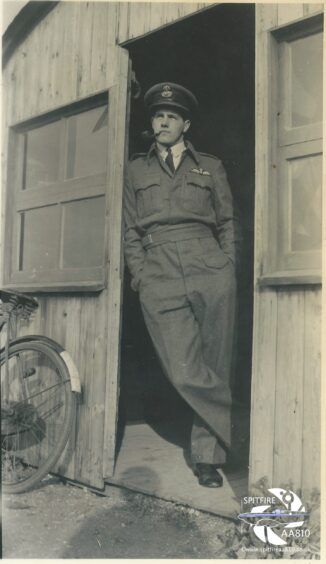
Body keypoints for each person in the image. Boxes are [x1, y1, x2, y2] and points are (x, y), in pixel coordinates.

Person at [123, 82, 241, 488]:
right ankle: (236, 420)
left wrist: (228, 264)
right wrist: (140, 274)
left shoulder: (210, 166)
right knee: (183, 367)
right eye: (158, 115)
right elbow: (129, 231)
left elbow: (227, 222)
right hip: (159, 270)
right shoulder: (135, 169)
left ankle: (208, 456)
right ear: (152, 122)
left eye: (172, 116)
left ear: (185, 124)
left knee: (214, 360)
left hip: (209, 264)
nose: (164, 121)